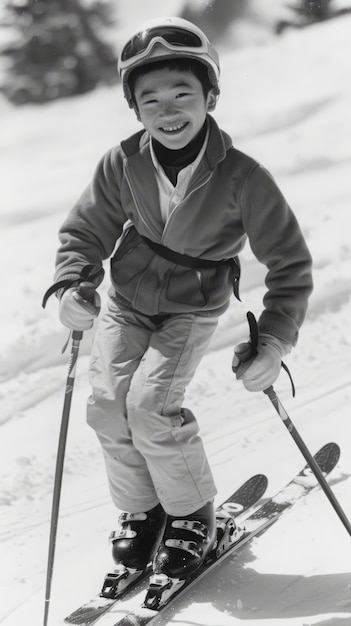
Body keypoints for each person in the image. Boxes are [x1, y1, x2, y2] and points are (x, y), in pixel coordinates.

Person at [49, 17, 313, 582]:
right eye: (150, 99)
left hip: (191, 305)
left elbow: (290, 264)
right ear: (134, 109)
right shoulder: (123, 162)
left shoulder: (244, 177)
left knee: (149, 406)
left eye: (182, 94)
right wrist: (73, 284)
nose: (167, 111)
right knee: (106, 403)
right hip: (126, 296)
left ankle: (193, 515)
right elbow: (86, 231)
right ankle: (144, 511)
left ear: (210, 96)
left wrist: (272, 340)